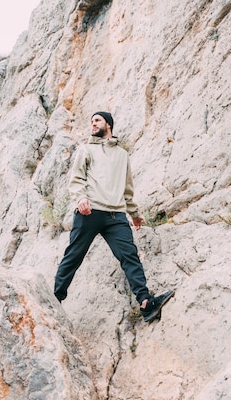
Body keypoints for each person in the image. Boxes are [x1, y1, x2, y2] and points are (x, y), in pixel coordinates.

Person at [53, 111, 174, 322]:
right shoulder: (86, 149)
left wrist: (134, 214)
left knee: (129, 256)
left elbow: (127, 188)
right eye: (91, 121)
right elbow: (77, 178)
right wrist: (80, 198)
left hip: (116, 216)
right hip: (89, 212)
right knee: (73, 256)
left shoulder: (122, 155)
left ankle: (146, 303)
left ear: (108, 124)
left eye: (97, 120)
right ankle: (54, 300)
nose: (93, 124)